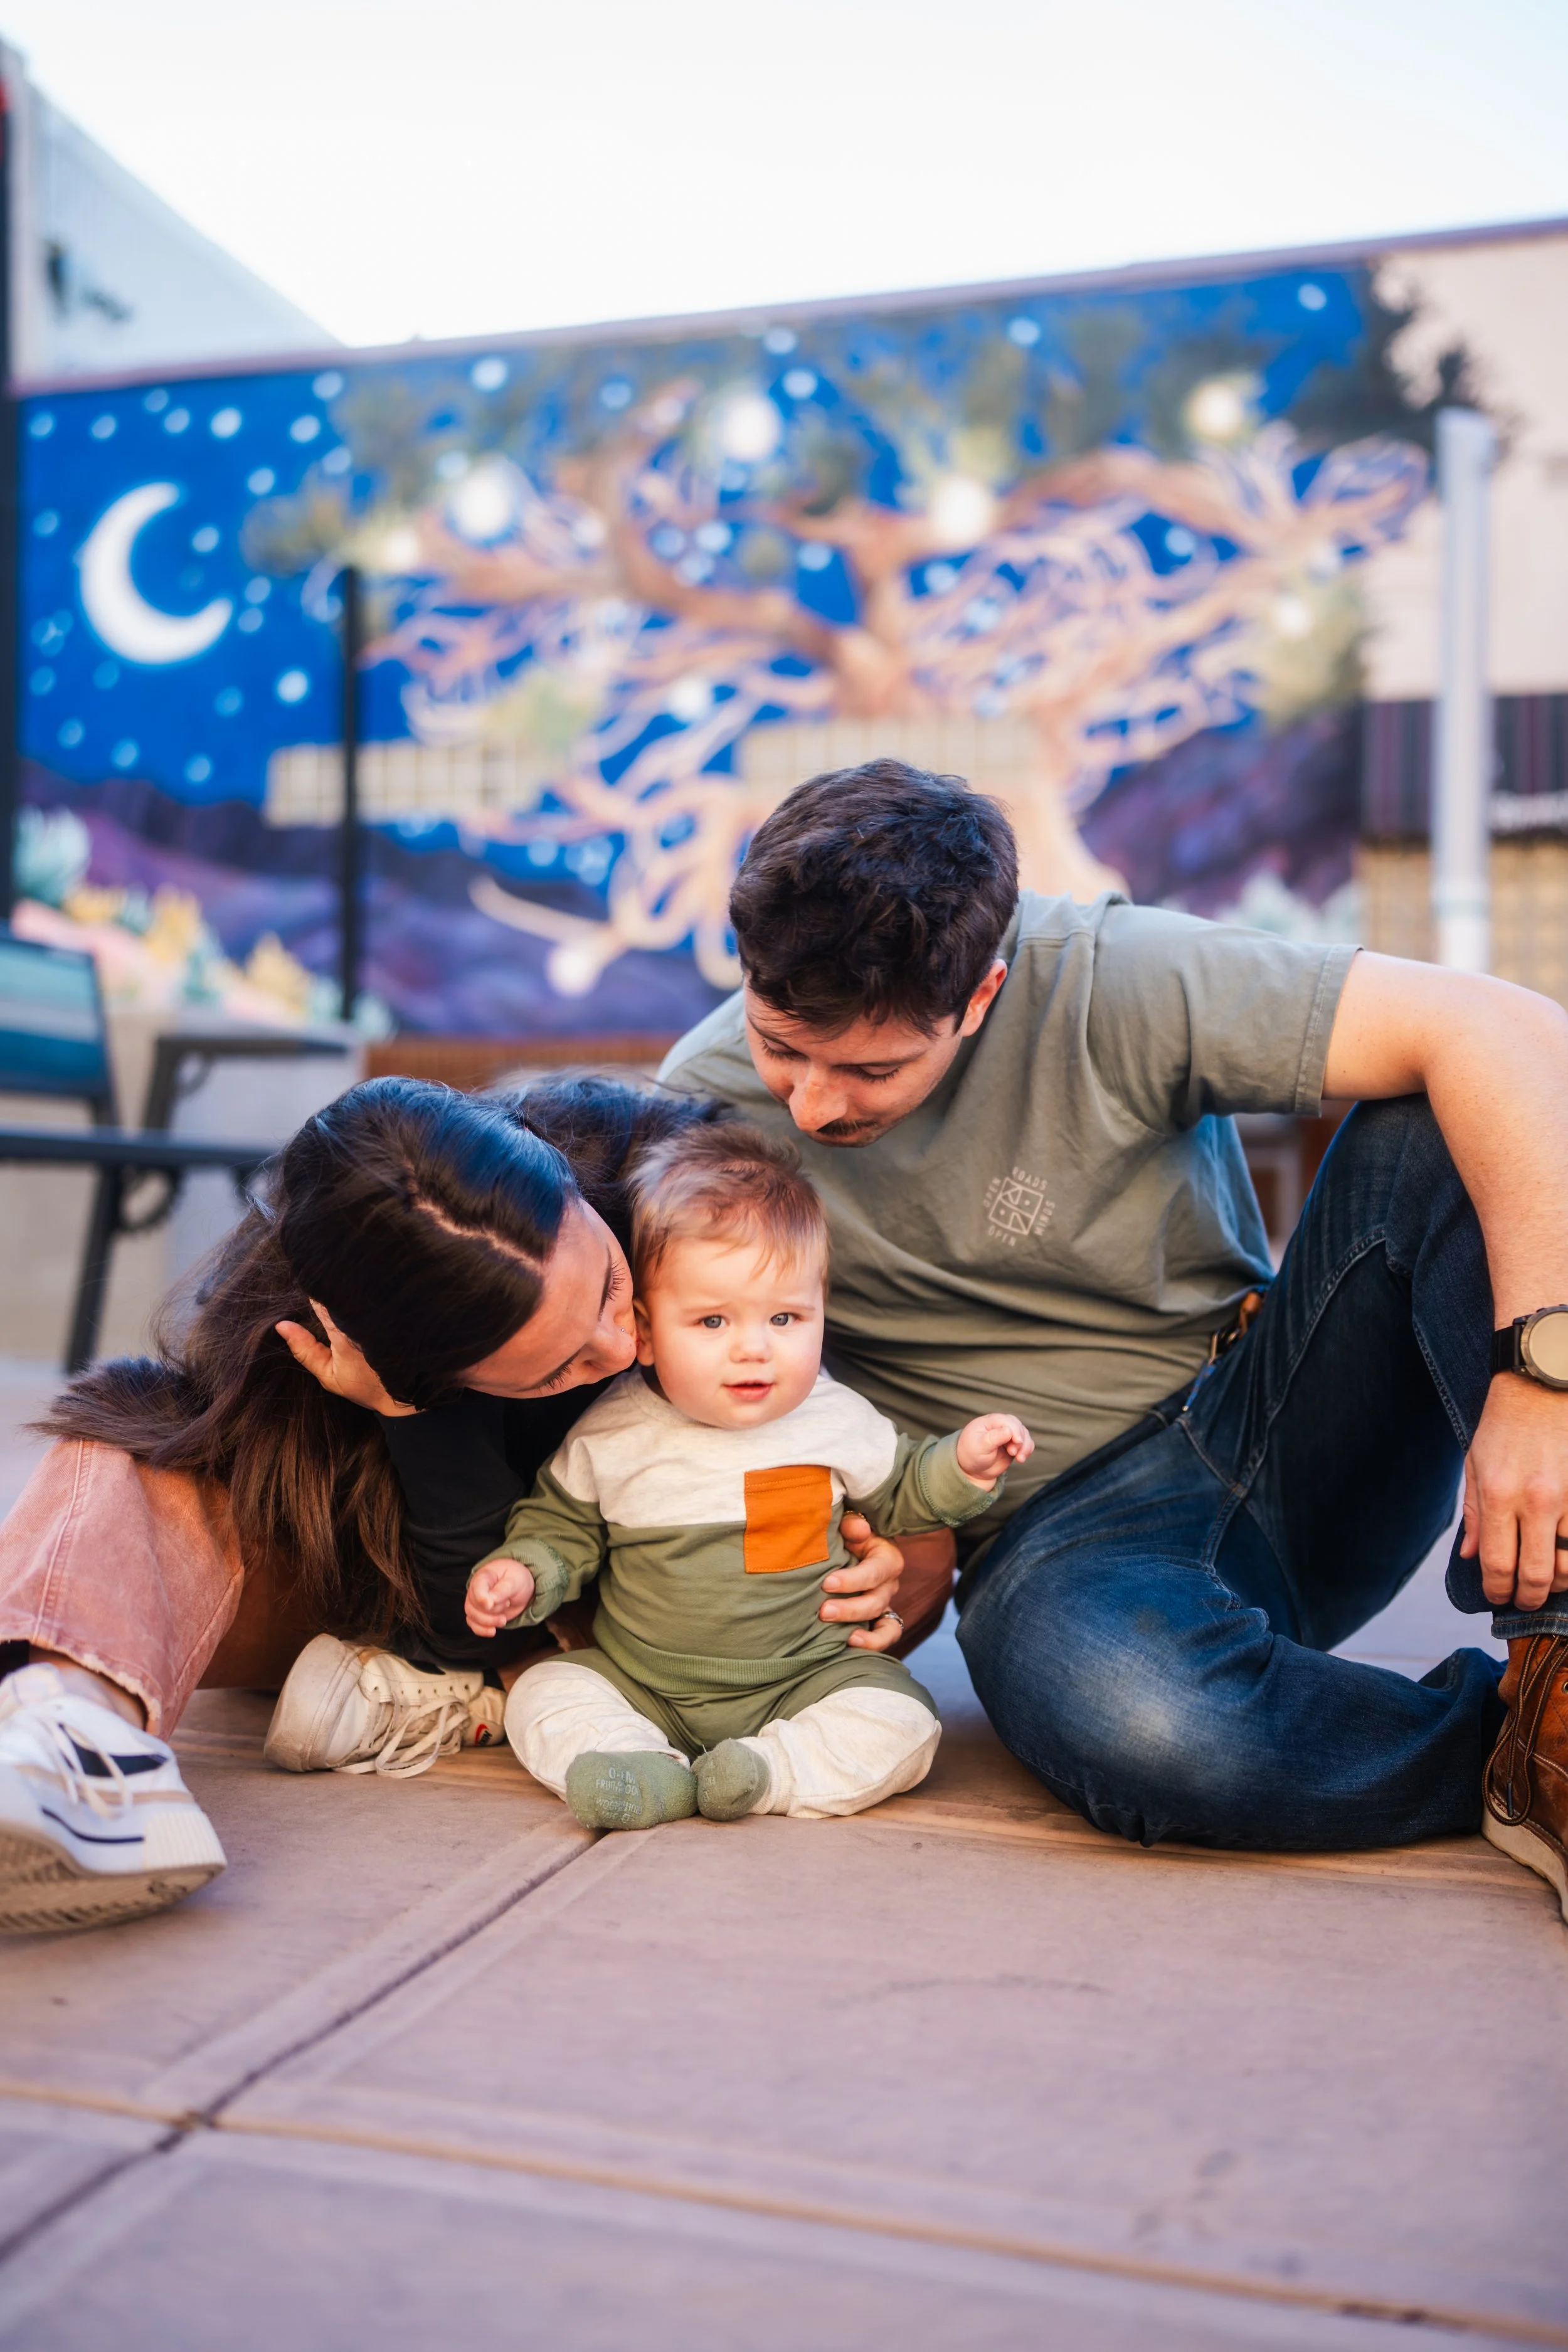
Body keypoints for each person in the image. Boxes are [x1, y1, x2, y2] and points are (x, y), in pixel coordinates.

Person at [660, 758, 1568, 1913]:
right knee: (1151, 1731)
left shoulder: (1107, 975)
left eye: (870, 1067)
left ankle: (1565, 1651)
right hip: (1055, 1535)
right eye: (781, 1045)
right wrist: (900, 1515)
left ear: (982, 995)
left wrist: (1542, 1376)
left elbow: (1507, 1024)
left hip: (1280, 1413)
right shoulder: (700, 1107)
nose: (812, 1104)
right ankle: (1519, 1743)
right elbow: (730, 1372)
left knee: (1452, 1116)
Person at [0, 1076, 908, 1934]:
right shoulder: (315, 1355)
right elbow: (473, 1611)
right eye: (557, 1368)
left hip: (651, 1602)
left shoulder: (677, 1186)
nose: (619, 1343)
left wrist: (893, 1546)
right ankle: (70, 1735)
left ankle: (448, 1694)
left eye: (605, 1286)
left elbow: (840, 1414)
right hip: (448, 1582)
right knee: (124, 1445)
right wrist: (412, 1416)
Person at [473, 1121, 1032, 1830]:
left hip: (807, 1678)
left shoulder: (835, 1419)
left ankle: (768, 1771)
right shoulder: (613, 1434)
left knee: (905, 1720)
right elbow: (560, 1530)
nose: (753, 1350)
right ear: (643, 1329)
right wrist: (524, 1573)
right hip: (643, 1682)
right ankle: (639, 1766)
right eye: (711, 1322)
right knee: (544, 1694)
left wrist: (964, 1460)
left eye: (785, 1317)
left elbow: (907, 1488)